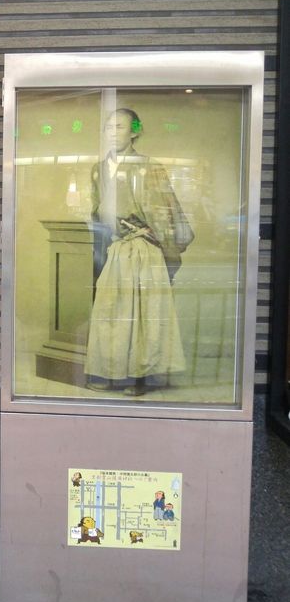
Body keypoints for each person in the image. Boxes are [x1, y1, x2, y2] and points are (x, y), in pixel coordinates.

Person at [84, 108, 194, 396]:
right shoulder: (98, 169)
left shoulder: (150, 166)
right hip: (117, 248)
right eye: (108, 127)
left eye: (119, 127)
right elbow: (95, 210)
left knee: (144, 314)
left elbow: (166, 210)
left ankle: (141, 376)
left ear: (134, 131)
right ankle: (109, 371)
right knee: (109, 310)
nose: (112, 132)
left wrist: (164, 244)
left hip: (145, 248)